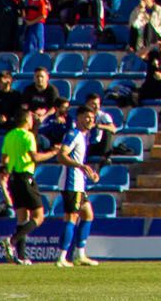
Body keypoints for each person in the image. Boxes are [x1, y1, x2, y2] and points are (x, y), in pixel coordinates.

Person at [52, 107, 100, 268]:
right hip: (71, 183)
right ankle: (62, 257)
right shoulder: (73, 134)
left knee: (88, 214)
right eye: (86, 117)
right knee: (71, 217)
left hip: (79, 183)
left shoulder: (83, 136)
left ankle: (80, 254)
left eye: (92, 118)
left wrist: (88, 171)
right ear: (78, 118)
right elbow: (61, 156)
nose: (90, 120)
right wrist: (80, 166)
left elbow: (78, 161)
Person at [3, 109, 51, 265]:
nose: (33, 121)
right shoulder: (28, 136)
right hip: (25, 177)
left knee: (22, 218)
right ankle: (11, 240)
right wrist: (53, 153)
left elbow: (4, 159)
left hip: (13, 178)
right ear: (26, 120)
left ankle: (21, 256)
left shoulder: (9, 135)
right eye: (31, 118)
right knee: (39, 217)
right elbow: (34, 157)